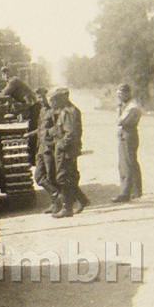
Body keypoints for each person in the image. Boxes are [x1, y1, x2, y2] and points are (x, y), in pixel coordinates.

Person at [49, 87, 89, 218]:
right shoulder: (65, 111)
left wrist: (60, 145)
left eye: (54, 100)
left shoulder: (68, 112)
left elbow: (70, 133)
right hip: (67, 149)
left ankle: (67, 208)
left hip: (66, 150)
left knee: (63, 177)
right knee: (69, 177)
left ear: (61, 99)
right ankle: (82, 200)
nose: (52, 103)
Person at [112, 83, 144, 202]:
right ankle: (134, 191)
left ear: (128, 93)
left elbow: (121, 121)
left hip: (129, 134)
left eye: (121, 94)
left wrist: (119, 109)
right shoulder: (124, 105)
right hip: (124, 134)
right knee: (126, 162)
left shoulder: (132, 106)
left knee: (128, 163)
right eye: (118, 94)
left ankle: (127, 193)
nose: (119, 97)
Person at [31, 88, 61, 213]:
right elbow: (41, 128)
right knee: (39, 177)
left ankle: (56, 203)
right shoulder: (42, 111)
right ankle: (56, 195)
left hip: (49, 147)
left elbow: (59, 127)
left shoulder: (53, 111)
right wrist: (29, 134)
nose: (40, 99)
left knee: (51, 176)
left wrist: (50, 136)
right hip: (41, 148)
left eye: (42, 97)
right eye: (38, 97)